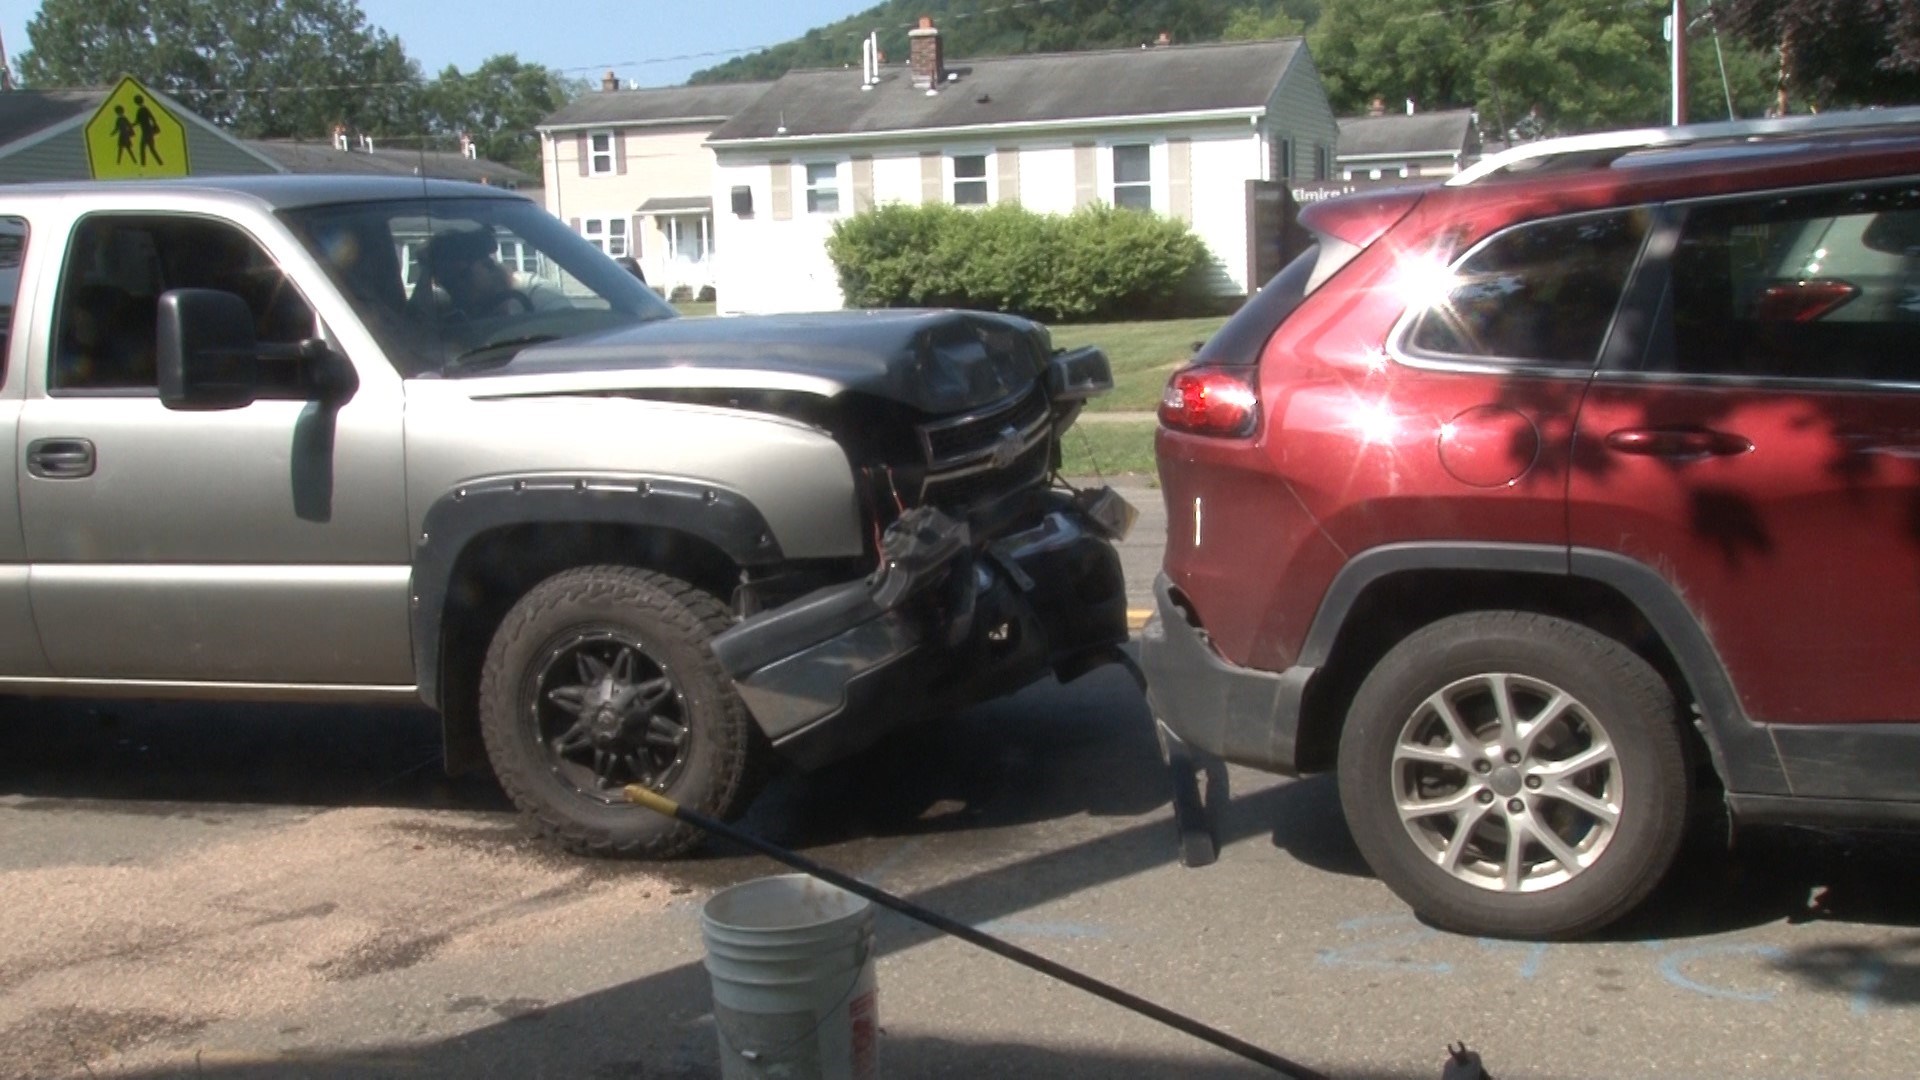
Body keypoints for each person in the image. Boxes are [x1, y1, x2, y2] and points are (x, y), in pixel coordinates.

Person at [421, 225, 561, 319]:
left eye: (460, 276)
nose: (453, 287)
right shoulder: (444, 307)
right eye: (444, 281)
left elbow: (566, 331)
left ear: (487, 265)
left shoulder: (535, 293)